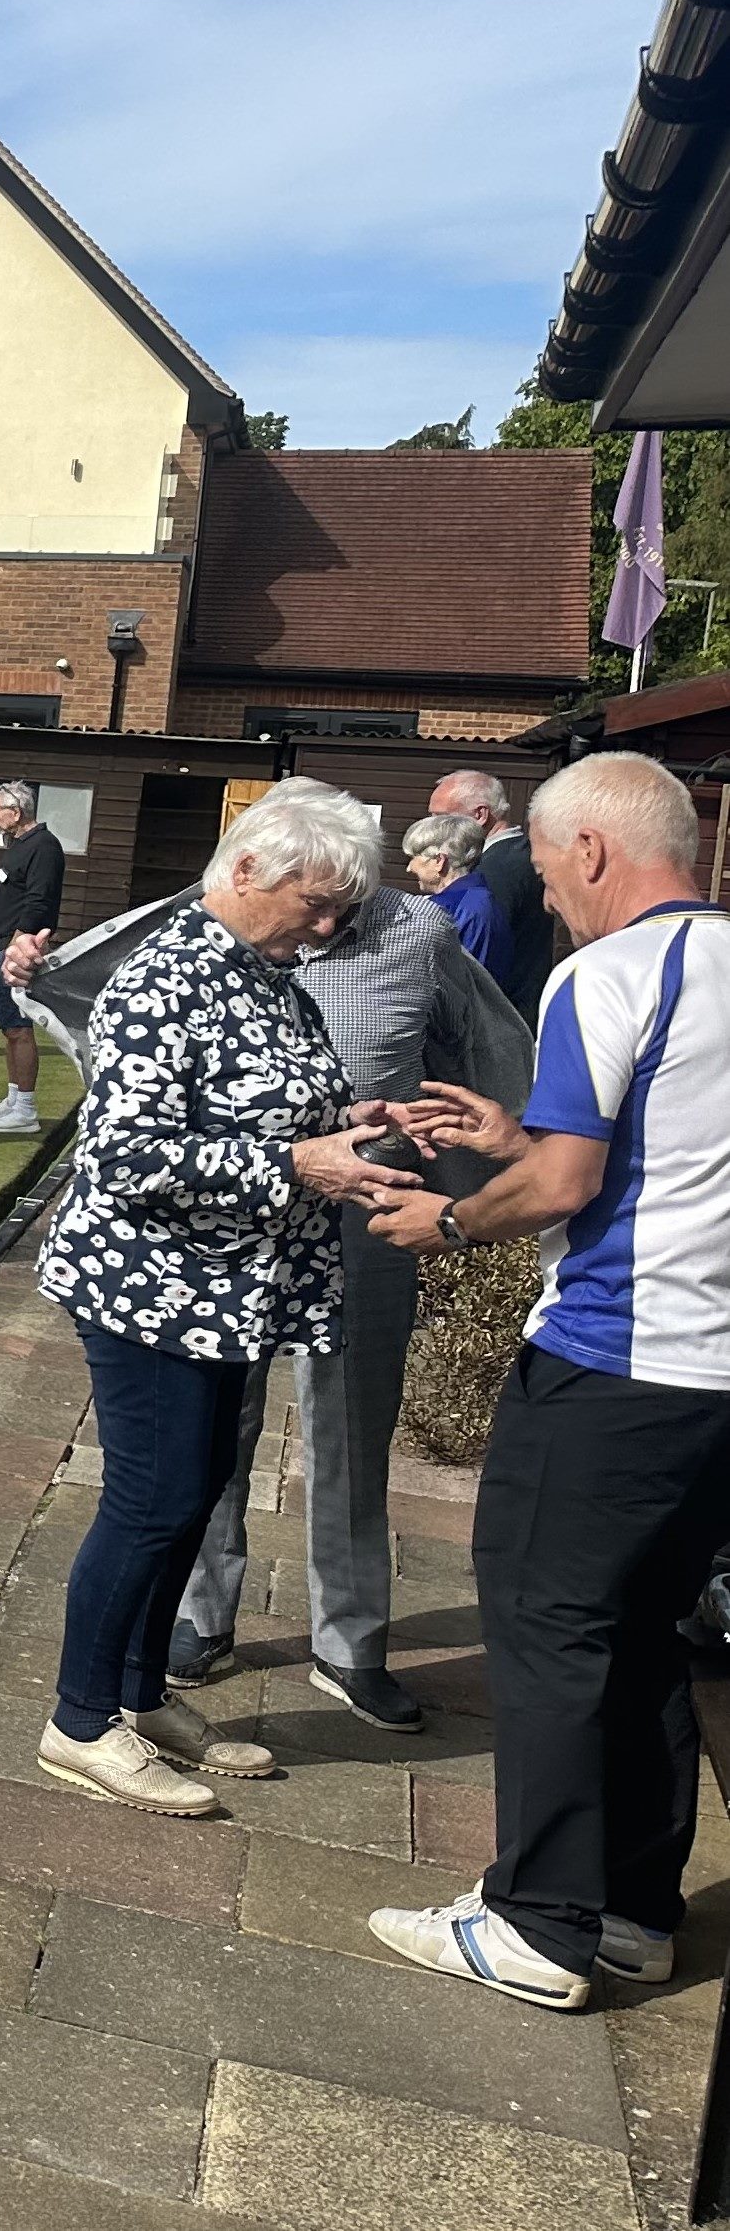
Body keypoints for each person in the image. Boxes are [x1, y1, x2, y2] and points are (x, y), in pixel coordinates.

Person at [30, 790, 529, 1731]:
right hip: (170, 1278)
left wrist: (366, 1123)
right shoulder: (179, 960)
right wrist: (300, 1161)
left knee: (263, 1456)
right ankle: (101, 1705)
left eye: (349, 901)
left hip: (293, 1249)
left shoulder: (274, 967)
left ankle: (176, 1687)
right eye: (319, 899)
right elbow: (124, 1148)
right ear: (251, 869)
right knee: (166, 1492)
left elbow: (461, 1047)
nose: (333, 922)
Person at [368, 755, 730, 2013]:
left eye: (540, 864)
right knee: (643, 1632)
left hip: (612, 1357)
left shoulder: (609, 972)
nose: (543, 896)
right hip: (714, 1383)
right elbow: (666, 1161)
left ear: (586, 852)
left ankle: (536, 1921)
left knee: (544, 1625)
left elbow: (568, 1190)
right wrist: (515, 1141)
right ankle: (630, 1908)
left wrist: (452, 1219)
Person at [0, 782, 63, 1137]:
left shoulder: (43, 847)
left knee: (19, 1029)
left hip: (13, 953)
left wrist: (16, 946)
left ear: (16, 811)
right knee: (9, 1029)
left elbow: (39, 901)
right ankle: (13, 1099)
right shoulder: (19, 846)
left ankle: (25, 1109)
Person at [430, 768, 556, 1019]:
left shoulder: (496, 870)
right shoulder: (519, 853)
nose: (433, 827)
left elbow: (478, 955)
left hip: (500, 1014)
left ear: (479, 814)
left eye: (441, 817)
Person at [401, 812, 512, 990]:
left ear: (439, 861)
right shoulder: (482, 899)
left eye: (413, 857)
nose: (409, 868)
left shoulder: (447, 908)